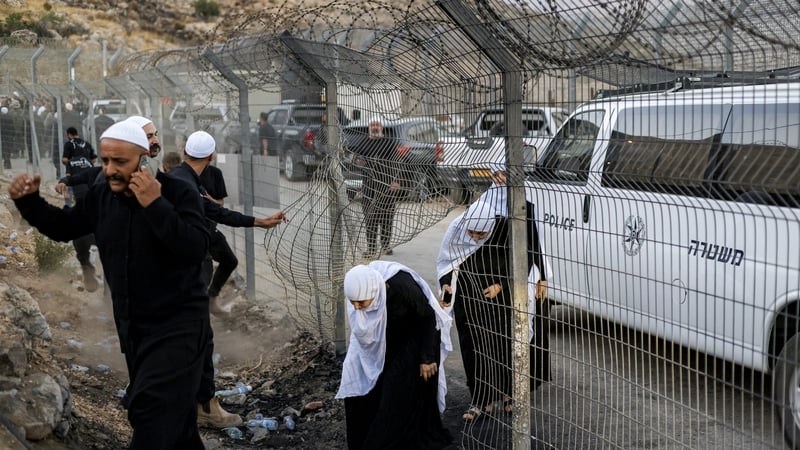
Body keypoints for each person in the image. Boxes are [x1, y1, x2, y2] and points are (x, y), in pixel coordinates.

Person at [8, 120, 211, 449]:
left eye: (120, 162)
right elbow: (65, 227)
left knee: (149, 413)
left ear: (143, 160)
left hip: (179, 327)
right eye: (105, 161)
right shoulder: (102, 193)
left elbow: (196, 248)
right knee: (178, 427)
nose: (110, 170)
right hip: (133, 329)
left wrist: (155, 205)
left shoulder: (176, 192)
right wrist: (30, 203)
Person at [169, 130, 288, 428]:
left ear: (185, 152)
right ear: (210, 156)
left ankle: (185, 399)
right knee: (201, 340)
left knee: (188, 338)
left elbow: (214, 210)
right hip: (188, 274)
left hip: (177, 272)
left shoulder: (179, 180)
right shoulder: (185, 185)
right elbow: (213, 211)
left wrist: (259, 222)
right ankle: (206, 408)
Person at [436, 197, 549, 421]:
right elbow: (447, 261)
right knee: (474, 347)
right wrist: (446, 284)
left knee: (504, 344)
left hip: (501, 296)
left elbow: (522, 262)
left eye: (481, 235)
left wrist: (501, 285)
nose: (475, 238)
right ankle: (481, 400)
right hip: (470, 296)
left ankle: (508, 395)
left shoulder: (506, 229)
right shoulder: (458, 228)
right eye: (472, 234)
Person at [336, 261, 453, 450]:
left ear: (376, 292)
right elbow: (363, 336)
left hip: (417, 334)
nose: (357, 308)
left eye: (361, 303)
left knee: (397, 390)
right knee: (361, 387)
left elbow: (427, 317)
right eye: (352, 303)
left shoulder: (402, 287)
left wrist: (427, 358)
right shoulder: (361, 291)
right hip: (389, 336)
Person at [352, 118, 401, 257]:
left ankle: (386, 246)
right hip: (369, 185)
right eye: (372, 125)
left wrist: (395, 180)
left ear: (382, 127)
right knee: (370, 217)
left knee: (387, 217)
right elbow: (356, 160)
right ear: (369, 127)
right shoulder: (363, 142)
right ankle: (372, 248)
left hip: (386, 184)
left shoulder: (389, 142)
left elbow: (396, 162)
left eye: (377, 125)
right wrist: (358, 161)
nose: (374, 127)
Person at [61, 126, 99, 292]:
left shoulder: (70, 160)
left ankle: (85, 264)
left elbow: (67, 177)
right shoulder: (92, 165)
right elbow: (94, 159)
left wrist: (67, 200)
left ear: (69, 134)